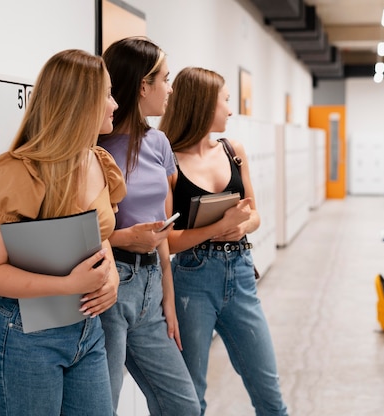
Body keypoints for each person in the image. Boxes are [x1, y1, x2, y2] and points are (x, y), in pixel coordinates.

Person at [0, 49, 126, 414]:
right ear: (79, 103)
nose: (114, 104)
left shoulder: (99, 162)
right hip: (26, 335)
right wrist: (68, 285)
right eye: (106, 94)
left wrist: (112, 275)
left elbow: (99, 232)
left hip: (87, 329)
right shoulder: (15, 173)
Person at [159, 67, 289, 416]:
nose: (230, 110)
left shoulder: (234, 151)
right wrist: (219, 229)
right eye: (225, 101)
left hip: (241, 273)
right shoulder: (168, 161)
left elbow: (256, 215)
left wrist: (241, 227)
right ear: (202, 105)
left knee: (269, 393)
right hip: (191, 282)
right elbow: (166, 242)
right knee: (190, 398)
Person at [97, 37, 200, 416]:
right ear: (144, 85)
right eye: (165, 79)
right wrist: (124, 237)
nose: (171, 89)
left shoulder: (158, 143)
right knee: (103, 405)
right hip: (108, 287)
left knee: (183, 405)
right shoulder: (95, 146)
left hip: (150, 287)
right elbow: (77, 230)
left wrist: (167, 300)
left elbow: (162, 229)